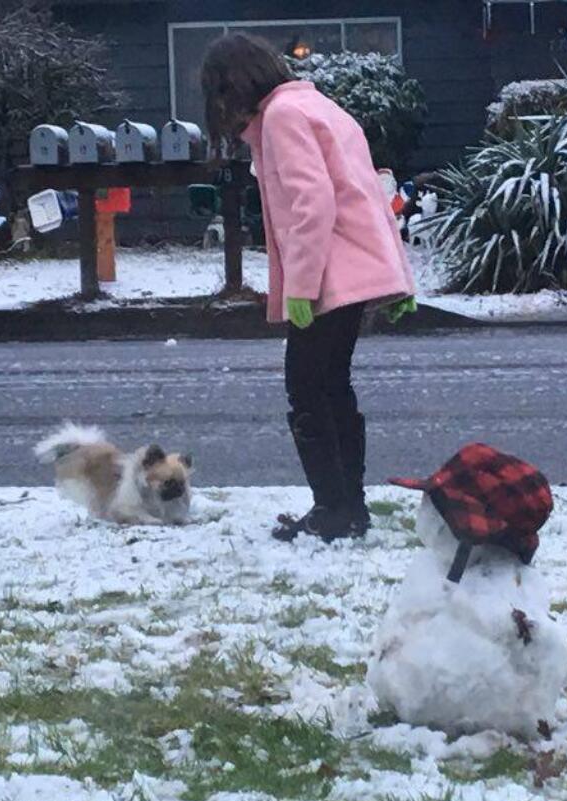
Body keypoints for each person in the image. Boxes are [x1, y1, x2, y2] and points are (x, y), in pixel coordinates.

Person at [201, 34, 417, 543]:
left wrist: (300, 285)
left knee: (307, 391)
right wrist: (399, 274)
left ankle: (333, 510)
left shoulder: (283, 117)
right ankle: (349, 508)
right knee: (332, 389)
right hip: (350, 272)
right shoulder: (319, 106)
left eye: (219, 94)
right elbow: (369, 191)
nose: (221, 109)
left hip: (328, 278)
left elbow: (312, 204)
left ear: (234, 85)